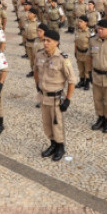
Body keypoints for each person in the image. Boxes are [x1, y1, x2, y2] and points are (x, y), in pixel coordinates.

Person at [34, 29, 76, 162]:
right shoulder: (39, 55)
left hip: (56, 98)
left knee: (57, 124)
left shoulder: (63, 59)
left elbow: (72, 80)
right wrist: (38, 85)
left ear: (56, 43)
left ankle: (60, 147)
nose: (45, 43)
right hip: (43, 96)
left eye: (48, 41)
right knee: (47, 123)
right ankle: (52, 144)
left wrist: (67, 100)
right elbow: (35, 70)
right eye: (44, 40)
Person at [74, 15, 92, 91]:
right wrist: (75, 51)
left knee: (87, 68)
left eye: (81, 22)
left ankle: (87, 82)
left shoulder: (90, 32)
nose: (79, 23)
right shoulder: (77, 31)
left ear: (86, 23)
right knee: (80, 68)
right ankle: (81, 81)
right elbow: (75, 42)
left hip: (87, 53)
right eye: (78, 21)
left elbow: (92, 44)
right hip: (79, 52)